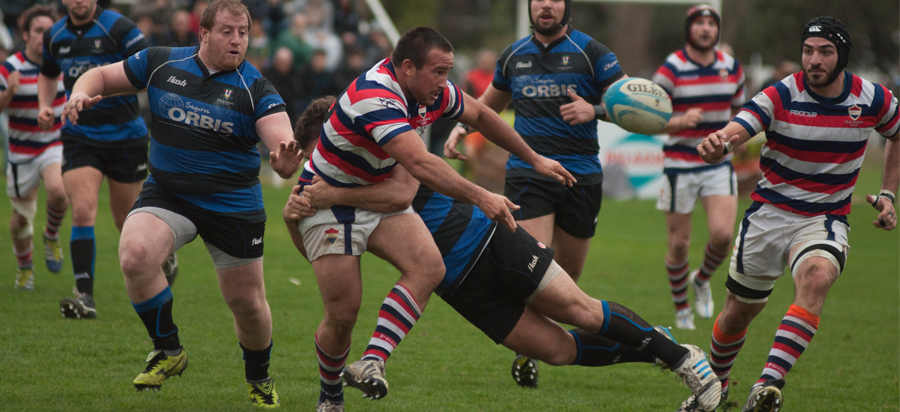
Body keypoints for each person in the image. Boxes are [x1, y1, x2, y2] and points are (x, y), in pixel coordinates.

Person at [286, 96, 723, 412]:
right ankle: (657, 344)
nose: (320, 167)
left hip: (487, 241)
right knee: (557, 350)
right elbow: (319, 254)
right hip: (456, 285)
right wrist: (295, 216)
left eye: (321, 154)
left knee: (581, 311)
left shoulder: (385, 141)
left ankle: (685, 362)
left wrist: (331, 195)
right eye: (314, 161)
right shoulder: (322, 183)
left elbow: (399, 194)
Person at [293, 27, 574, 411]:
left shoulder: (428, 92)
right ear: (408, 67)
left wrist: (535, 158)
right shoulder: (375, 96)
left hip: (369, 198)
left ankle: (372, 360)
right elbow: (421, 164)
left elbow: (481, 114)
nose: (445, 82)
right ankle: (330, 397)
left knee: (429, 267)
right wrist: (481, 195)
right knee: (343, 315)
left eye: (447, 72)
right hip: (325, 202)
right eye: (439, 72)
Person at [61, 0, 303, 406]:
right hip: (170, 193)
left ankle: (259, 377)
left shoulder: (256, 88)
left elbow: (280, 138)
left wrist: (283, 160)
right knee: (135, 255)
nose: (238, 40)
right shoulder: (161, 63)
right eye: (227, 31)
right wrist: (80, 93)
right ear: (203, 33)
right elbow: (100, 75)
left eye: (243, 32)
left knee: (246, 303)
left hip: (232, 205)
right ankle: (168, 350)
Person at [681, 16, 899, 412]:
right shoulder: (781, 93)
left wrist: (888, 193)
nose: (814, 60)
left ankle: (768, 384)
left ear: (842, 56)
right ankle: (715, 386)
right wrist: (719, 144)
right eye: (808, 51)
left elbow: (896, 132)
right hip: (768, 216)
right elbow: (739, 127)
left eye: (825, 52)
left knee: (817, 277)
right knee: (737, 315)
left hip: (824, 220)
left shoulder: (871, 98)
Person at [444, 0, 626, 388]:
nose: (546, 5)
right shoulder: (513, 56)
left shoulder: (592, 53)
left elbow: (630, 106)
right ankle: (528, 350)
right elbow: (487, 107)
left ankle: (544, 340)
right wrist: (462, 127)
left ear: (566, 7)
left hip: (580, 177)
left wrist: (594, 110)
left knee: (568, 276)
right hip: (529, 174)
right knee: (533, 267)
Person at [38, 0, 177, 319]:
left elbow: (149, 71)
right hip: (80, 134)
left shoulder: (119, 27)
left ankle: (164, 256)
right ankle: (84, 296)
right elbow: (48, 73)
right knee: (82, 210)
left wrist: (106, 87)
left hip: (125, 136)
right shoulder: (54, 35)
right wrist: (44, 105)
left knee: (125, 220)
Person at [650, 4, 746, 331]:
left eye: (711, 23)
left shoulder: (731, 67)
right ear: (689, 29)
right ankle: (682, 309)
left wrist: (737, 142)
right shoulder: (671, 68)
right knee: (679, 244)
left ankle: (702, 279)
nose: (706, 28)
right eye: (700, 23)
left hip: (718, 164)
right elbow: (649, 119)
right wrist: (680, 121)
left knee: (723, 236)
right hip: (679, 164)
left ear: (717, 30)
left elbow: (742, 114)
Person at [0, 5, 67, 291]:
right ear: (25, 34)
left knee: (59, 192)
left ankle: (51, 235)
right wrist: (9, 92)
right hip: (21, 152)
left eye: (49, 31)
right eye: (38, 31)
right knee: (19, 222)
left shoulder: (62, 63)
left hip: (53, 143)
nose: (44, 36)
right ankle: (25, 267)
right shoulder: (9, 67)